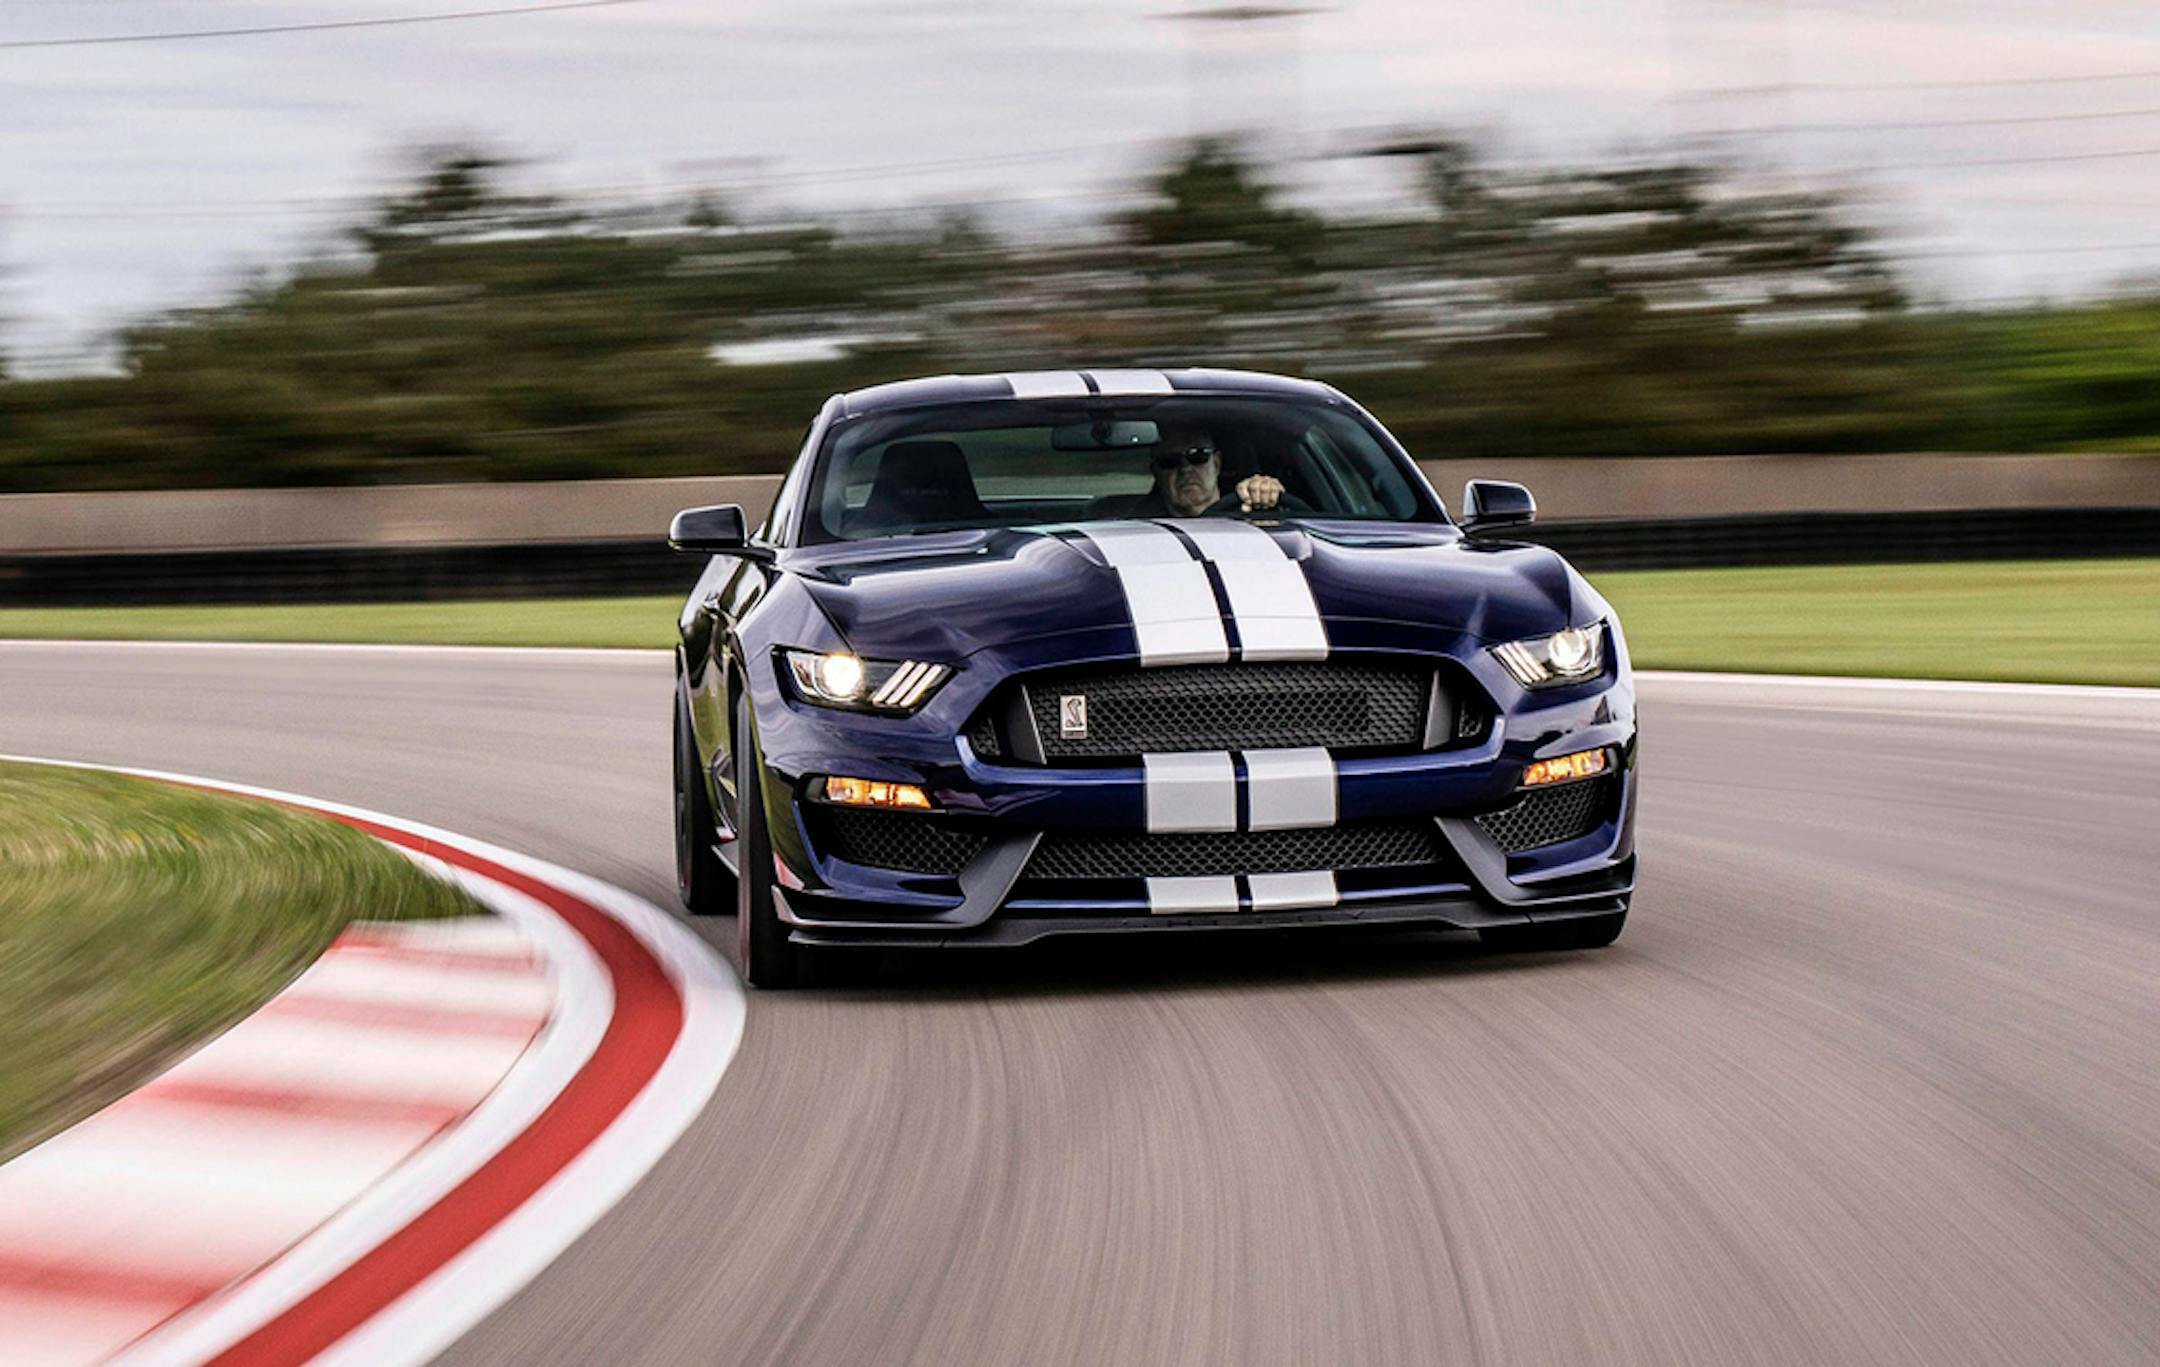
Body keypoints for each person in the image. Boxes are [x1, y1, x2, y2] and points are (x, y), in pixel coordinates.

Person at [1093, 427, 1285, 519]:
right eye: (1170, 461)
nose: (1185, 468)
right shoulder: (1136, 532)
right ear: (1156, 474)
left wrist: (1269, 497)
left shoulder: (1256, 513)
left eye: (1198, 456)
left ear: (1217, 464)